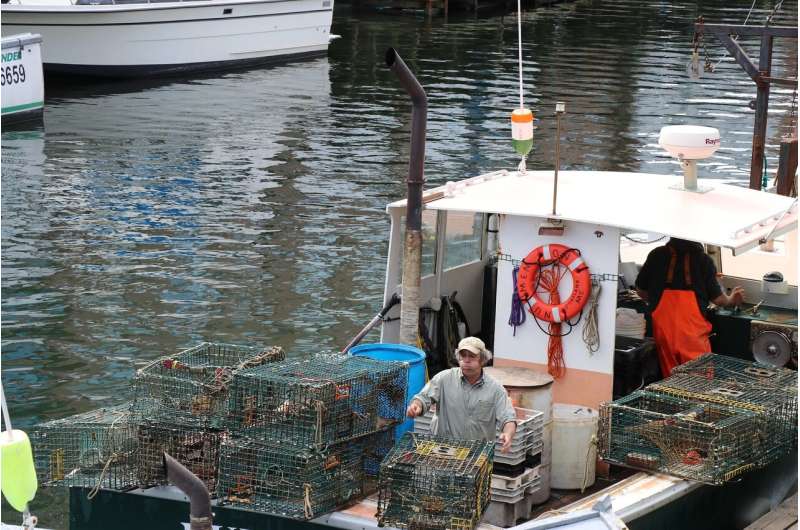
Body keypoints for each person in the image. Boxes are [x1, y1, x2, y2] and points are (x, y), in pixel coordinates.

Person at [635, 237, 744, 376]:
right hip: (692, 335)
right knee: (698, 383)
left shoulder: (656, 255)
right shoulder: (703, 260)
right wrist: (731, 300)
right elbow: (719, 300)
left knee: (670, 381)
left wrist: (656, 300)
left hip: (663, 331)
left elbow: (641, 290)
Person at [406, 337, 517, 452]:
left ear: (483, 359)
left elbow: (508, 418)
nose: (466, 360)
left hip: (477, 455)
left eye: (472, 356)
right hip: (442, 451)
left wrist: (508, 434)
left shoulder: (495, 389)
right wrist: (416, 406)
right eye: (463, 356)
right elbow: (423, 398)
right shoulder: (444, 378)